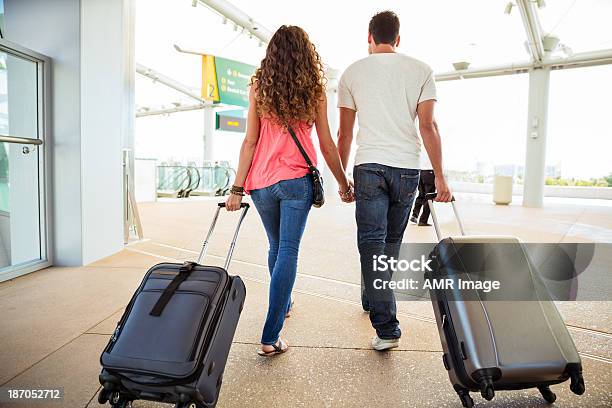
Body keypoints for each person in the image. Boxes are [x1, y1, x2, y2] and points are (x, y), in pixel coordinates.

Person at [225, 25, 354, 357]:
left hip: (262, 183)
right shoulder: (314, 90)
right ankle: (270, 336)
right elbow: (326, 144)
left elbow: (250, 141)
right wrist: (342, 181)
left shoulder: (258, 88)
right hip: (297, 181)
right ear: (305, 54)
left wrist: (237, 188)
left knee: (276, 247)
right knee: (288, 251)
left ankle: (283, 302)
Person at [337, 11, 452, 351]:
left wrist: (342, 178)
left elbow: (345, 133)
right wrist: (440, 177)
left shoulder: (352, 72)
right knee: (388, 246)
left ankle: (387, 328)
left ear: (369, 38)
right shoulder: (420, 70)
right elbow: (428, 126)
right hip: (406, 169)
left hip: (369, 165)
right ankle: (373, 298)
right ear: (398, 39)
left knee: (371, 245)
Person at [410, 154, 436, 226]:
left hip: (421, 171)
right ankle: (423, 220)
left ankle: (415, 215)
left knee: (421, 195)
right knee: (429, 197)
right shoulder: (434, 146)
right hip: (430, 171)